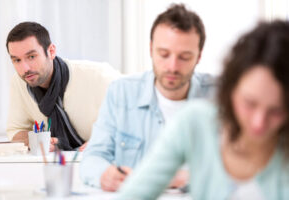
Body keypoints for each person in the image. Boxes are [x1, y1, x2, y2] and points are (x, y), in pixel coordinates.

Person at [116, 20, 289, 200]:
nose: (258, 122)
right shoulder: (196, 122)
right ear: (231, 88)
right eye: (249, 104)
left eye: (277, 111)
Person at [80, 4, 216, 191]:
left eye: (184, 57)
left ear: (198, 56)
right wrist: (105, 174)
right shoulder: (121, 93)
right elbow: (93, 157)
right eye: (164, 54)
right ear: (151, 49)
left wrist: (187, 177)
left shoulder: (221, 96)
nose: (172, 66)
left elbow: (243, 166)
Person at [6, 22, 119, 151]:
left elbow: (136, 121)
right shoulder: (19, 82)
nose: (24, 69)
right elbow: (16, 131)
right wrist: (33, 140)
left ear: (51, 51)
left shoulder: (100, 76)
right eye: (17, 60)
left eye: (31, 57)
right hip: (55, 163)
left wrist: (108, 141)